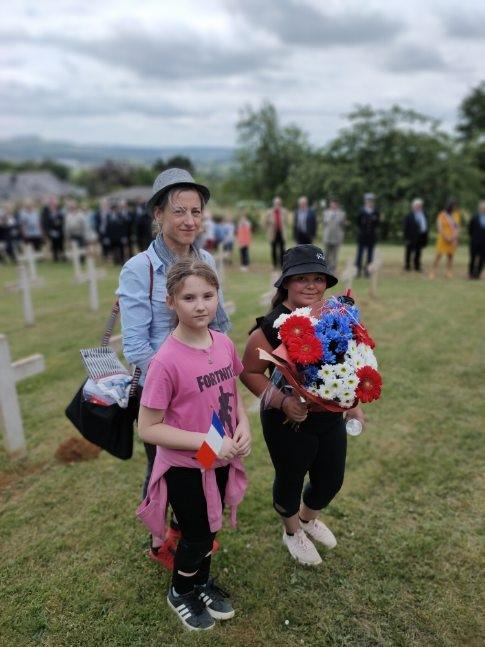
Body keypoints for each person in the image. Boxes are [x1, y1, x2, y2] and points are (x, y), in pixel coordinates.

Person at [117, 168, 230, 568]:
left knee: (205, 457)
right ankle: (157, 537)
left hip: (209, 388)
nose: (188, 221)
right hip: (163, 394)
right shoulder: (139, 269)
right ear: (158, 214)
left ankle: (189, 523)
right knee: (163, 463)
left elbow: (220, 322)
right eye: (178, 211)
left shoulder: (208, 260)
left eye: (196, 211)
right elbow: (136, 345)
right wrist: (176, 381)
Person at [137, 258, 250, 631]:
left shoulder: (223, 343)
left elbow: (232, 393)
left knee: (210, 528)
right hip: (187, 464)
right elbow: (148, 428)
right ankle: (181, 590)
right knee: (197, 531)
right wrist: (204, 441)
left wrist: (244, 426)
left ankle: (200, 582)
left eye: (208, 295)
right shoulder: (166, 361)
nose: (201, 305)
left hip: (218, 456)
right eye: (189, 298)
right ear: (171, 302)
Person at [240, 244, 364, 566]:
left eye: (318, 278)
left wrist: (353, 404)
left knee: (330, 480)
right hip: (287, 421)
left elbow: (347, 362)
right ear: (285, 283)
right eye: (302, 278)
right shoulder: (271, 326)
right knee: (291, 478)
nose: (312, 285)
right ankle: (293, 531)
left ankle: (308, 519)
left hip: (329, 417)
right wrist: (282, 401)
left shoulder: (334, 314)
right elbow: (249, 372)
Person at [429, 199, 462, 279]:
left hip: (452, 238)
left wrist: (454, 237)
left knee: (450, 256)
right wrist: (446, 237)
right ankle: (433, 271)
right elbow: (439, 227)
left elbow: (457, 227)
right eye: (453, 205)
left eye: (455, 205)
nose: (455, 207)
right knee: (438, 255)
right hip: (443, 238)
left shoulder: (457, 215)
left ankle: (448, 272)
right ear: (449, 206)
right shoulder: (441, 215)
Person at [355, 193, 380, 277]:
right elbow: (358, 222)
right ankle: (358, 271)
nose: (370, 202)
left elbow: (377, 223)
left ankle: (368, 271)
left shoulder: (376, 211)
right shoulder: (361, 210)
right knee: (360, 254)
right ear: (365, 201)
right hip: (362, 236)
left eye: (371, 201)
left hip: (371, 236)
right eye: (368, 201)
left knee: (370, 255)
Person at [403, 198, 428, 272]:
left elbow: (425, 226)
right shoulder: (409, 216)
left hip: (421, 236)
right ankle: (407, 266)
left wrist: (425, 236)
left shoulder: (424, 214)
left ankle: (417, 266)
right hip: (411, 237)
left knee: (418, 252)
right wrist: (406, 238)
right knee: (409, 252)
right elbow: (405, 228)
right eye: (417, 206)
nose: (419, 207)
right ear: (413, 207)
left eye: (420, 206)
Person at [322, 198, 346, 272]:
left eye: (335, 204)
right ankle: (325, 269)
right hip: (328, 237)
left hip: (336, 237)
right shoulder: (326, 213)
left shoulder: (342, 214)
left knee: (335, 255)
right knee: (326, 254)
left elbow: (343, 225)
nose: (333, 206)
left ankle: (333, 270)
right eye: (332, 204)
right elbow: (325, 223)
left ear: (337, 205)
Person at [265, 196, 289, 269]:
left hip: (281, 233)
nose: (277, 204)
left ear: (280, 204)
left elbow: (286, 222)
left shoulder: (284, 211)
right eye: (276, 203)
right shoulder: (269, 212)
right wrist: (269, 226)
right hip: (273, 233)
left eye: (279, 203)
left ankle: (282, 264)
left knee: (282, 249)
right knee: (273, 249)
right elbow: (265, 222)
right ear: (274, 204)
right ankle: (274, 265)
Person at [41, 197, 65, 262]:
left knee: (61, 245)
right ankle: (55, 257)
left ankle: (63, 256)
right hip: (52, 231)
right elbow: (46, 222)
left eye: (54, 204)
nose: (53, 206)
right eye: (52, 204)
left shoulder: (59, 212)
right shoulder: (47, 212)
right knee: (54, 245)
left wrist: (59, 223)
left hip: (59, 230)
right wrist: (48, 231)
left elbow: (62, 220)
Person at [468, 200, 485, 279]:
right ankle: (471, 274)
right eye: (482, 208)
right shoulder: (474, 217)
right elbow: (470, 229)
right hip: (474, 241)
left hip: (484, 243)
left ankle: (478, 274)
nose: (483, 209)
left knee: (482, 259)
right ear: (479, 208)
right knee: (472, 258)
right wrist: (473, 237)